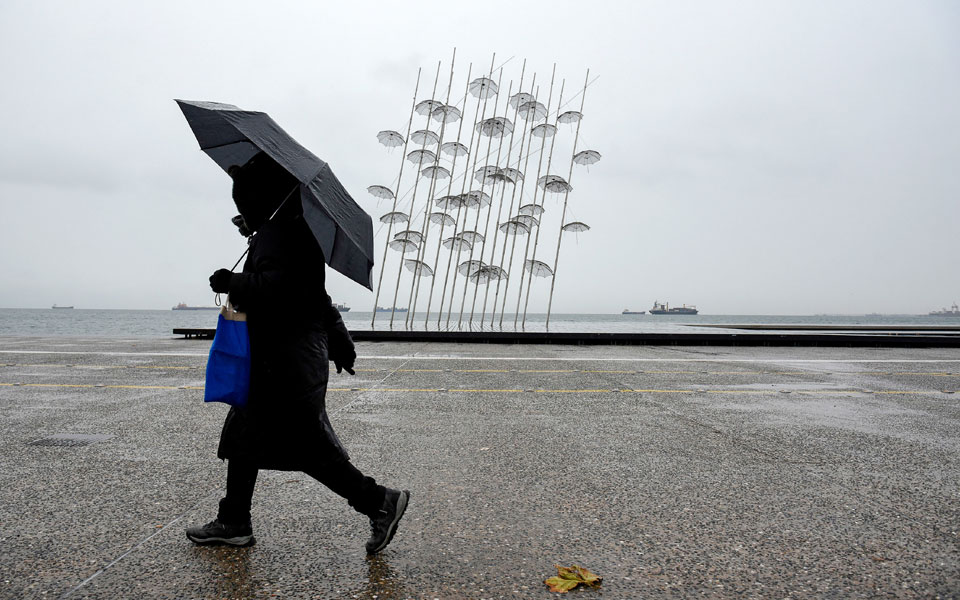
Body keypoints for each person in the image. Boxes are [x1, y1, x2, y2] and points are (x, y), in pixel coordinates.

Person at [186, 151, 408, 553]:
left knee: (307, 448)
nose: (241, 206)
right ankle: (234, 520)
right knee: (245, 437)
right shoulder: (287, 230)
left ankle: (380, 502)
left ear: (259, 197)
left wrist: (232, 281)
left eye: (245, 200)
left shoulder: (282, 234)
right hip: (284, 359)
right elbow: (315, 297)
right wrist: (339, 341)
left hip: (285, 363)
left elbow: (283, 291)